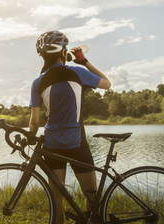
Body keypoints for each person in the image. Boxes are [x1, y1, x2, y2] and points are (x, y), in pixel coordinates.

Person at [29, 31, 111, 223]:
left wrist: (29, 136)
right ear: (63, 51)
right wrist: (84, 61)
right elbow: (107, 83)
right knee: (91, 195)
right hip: (77, 143)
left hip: (52, 144)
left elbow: (34, 122)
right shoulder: (78, 72)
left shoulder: (37, 82)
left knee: (56, 199)